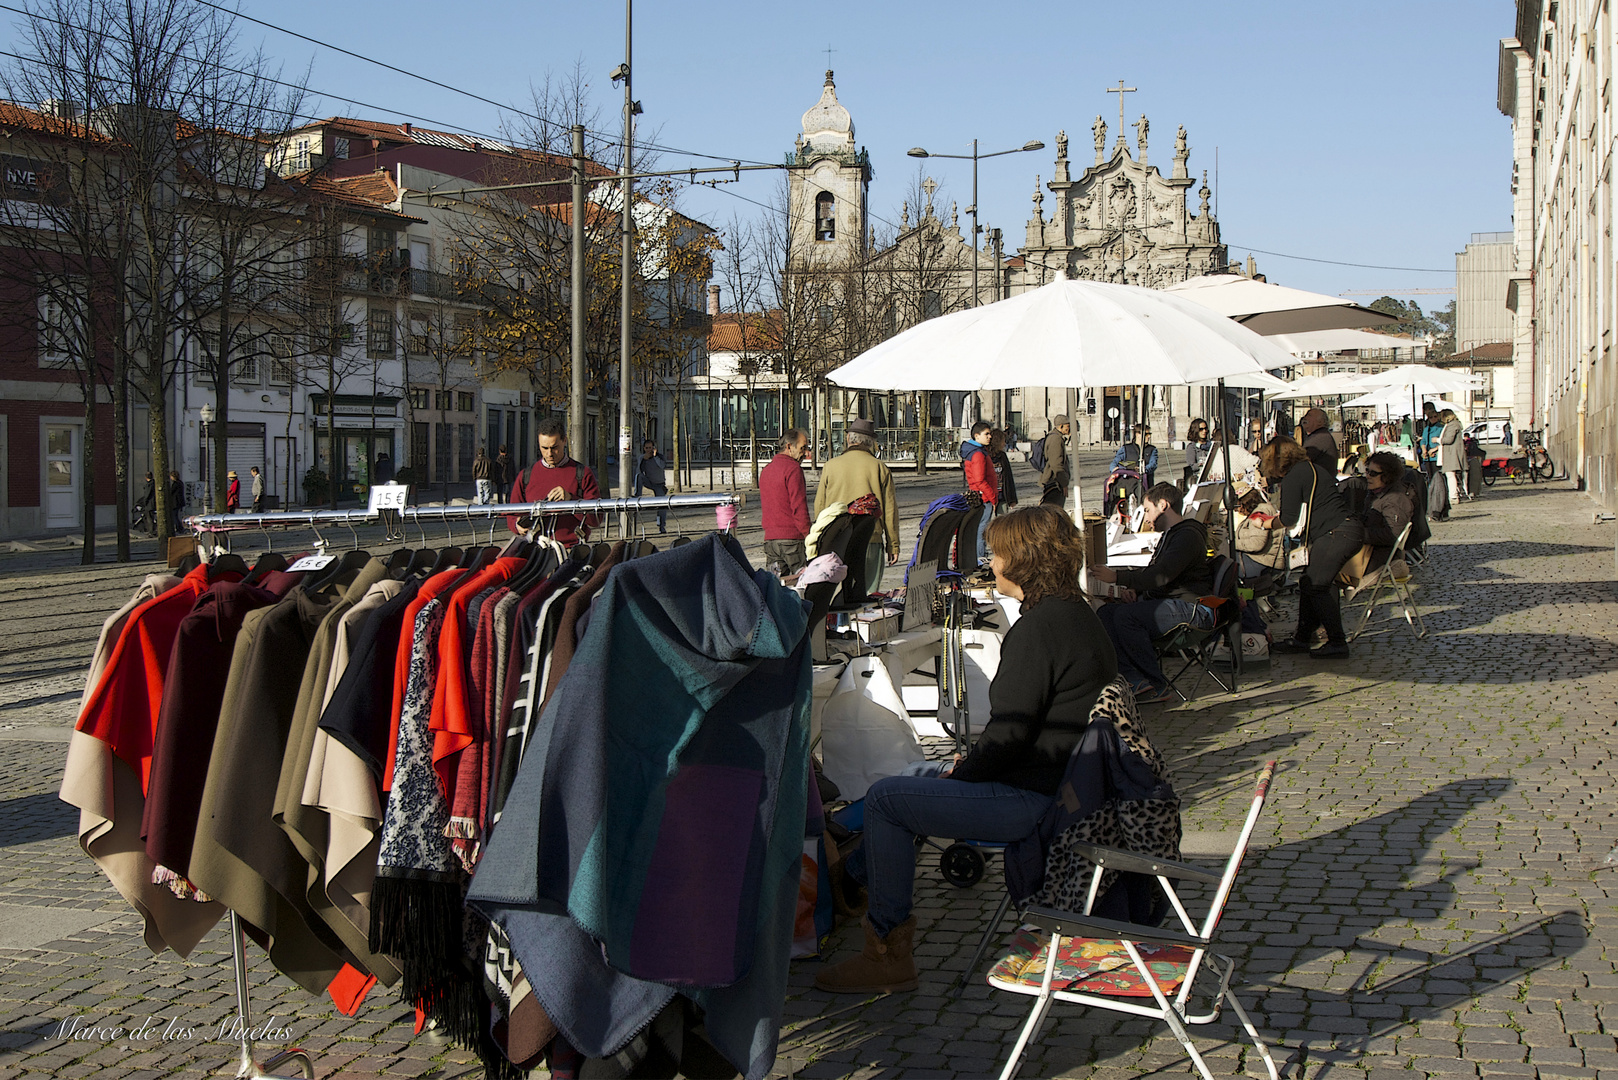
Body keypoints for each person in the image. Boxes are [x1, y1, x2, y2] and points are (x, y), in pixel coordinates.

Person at [813, 505, 1119, 994]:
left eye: (996, 553)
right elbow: (1017, 735)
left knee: (890, 801)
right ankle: (851, 883)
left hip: (1040, 802)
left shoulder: (1039, 630)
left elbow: (1008, 737)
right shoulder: (1076, 614)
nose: (990, 562)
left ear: (1023, 561)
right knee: (919, 778)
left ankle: (886, 949)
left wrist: (966, 773)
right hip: (1065, 788)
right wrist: (965, 767)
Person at [1091, 483, 1215, 703]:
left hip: (1193, 607)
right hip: (1174, 602)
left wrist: (1118, 578)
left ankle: (1153, 683)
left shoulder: (1186, 536)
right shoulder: (1173, 534)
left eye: (1147, 510)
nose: (1146, 518)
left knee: (1125, 617)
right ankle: (1132, 678)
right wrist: (1137, 591)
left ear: (1163, 505)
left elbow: (1162, 575)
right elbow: (1159, 575)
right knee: (1106, 613)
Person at [1258, 438, 1364, 659]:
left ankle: (1337, 642)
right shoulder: (1310, 468)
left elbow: (1288, 518)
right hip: (1342, 529)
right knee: (1309, 582)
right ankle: (1302, 638)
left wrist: (1266, 523)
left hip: (1336, 531)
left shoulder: (1293, 477)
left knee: (1316, 585)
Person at [814, 418, 900, 567]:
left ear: (848, 438)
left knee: (840, 587)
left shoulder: (830, 466)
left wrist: (819, 539)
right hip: (870, 538)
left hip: (836, 538)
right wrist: (893, 545)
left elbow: (820, 505)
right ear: (871, 442)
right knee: (869, 588)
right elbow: (890, 511)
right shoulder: (880, 468)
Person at [507, 417, 602, 547]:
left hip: (571, 550)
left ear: (564, 441)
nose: (549, 453)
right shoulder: (525, 476)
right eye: (544, 448)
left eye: (554, 447)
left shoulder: (582, 473)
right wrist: (516, 525)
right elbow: (512, 513)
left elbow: (596, 519)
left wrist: (571, 500)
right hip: (536, 552)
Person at [759, 429, 811, 574]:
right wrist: (809, 535)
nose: (806, 453)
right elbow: (799, 508)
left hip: (771, 540)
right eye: (802, 448)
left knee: (776, 587)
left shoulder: (766, 470)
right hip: (792, 539)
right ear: (789, 447)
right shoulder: (793, 469)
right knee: (801, 584)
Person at [1358, 451, 1416, 570]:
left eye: (1373, 473)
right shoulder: (1376, 493)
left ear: (1387, 475)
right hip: (1367, 551)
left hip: (1380, 558)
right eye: (1367, 471)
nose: (1368, 476)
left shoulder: (1396, 499)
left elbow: (1392, 535)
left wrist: (1358, 533)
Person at [959, 420, 999, 563]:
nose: (990, 437)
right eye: (986, 434)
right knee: (982, 530)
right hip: (984, 498)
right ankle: (979, 559)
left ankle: (979, 557)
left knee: (981, 529)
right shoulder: (978, 454)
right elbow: (980, 480)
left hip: (982, 496)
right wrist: (992, 497)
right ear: (977, 436)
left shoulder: (978, 451)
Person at [632, 439, 669, 534]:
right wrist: (644, 460)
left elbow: (662, 466)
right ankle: (637, 495)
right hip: (649, 481)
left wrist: (655, 456)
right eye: (647, 448)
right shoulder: (642, 458)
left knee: (662, 504)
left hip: (659, 483)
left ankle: (661, 526)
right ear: (644, 448)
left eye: (651, 448)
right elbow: (639, 471)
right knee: (639, 476)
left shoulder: (660, 457)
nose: (649, 450)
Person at [1038, 415, 1072, 506]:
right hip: (1055, 482)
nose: (1069, 429)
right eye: (1067, 426)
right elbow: (1056, 464)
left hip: (1055, 481)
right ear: (1061, 426)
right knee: (1054, 511)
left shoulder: (1055, 437)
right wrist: (1064, 483)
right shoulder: (1056, 439)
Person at [1436, 408, 1464, 507]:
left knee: (1450, 475)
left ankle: (1453, 496)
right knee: (1451, 475)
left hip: (1452, 453)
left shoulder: (1453, 425)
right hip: (1450, 452)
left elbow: (1449, 439)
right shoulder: (1452, 424)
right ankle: (1454, 494)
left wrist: (1438, 440)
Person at [988, 428, 1018, 512]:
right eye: (1003, 441)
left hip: (1002, 495)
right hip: (988, 496)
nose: (1004, 444)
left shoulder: (1002, 456)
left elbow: (1008, 477)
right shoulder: (985, 456)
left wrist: (1012, 499)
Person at [374, 452, 400, 540]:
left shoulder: (379, 464)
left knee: (382, 503)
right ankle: (395, 525)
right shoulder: (389, 463)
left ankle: (383, 517)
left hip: (381, 483)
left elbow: (376, 473)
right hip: (390, 484)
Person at [1183, 418, 1212, 488]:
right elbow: (1192, 465)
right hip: (1198, 479)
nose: (1204, 431)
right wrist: (1202, 464)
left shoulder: (1211, 445)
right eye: (1201, 429)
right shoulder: (1192, 447)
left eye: (1205, 429)